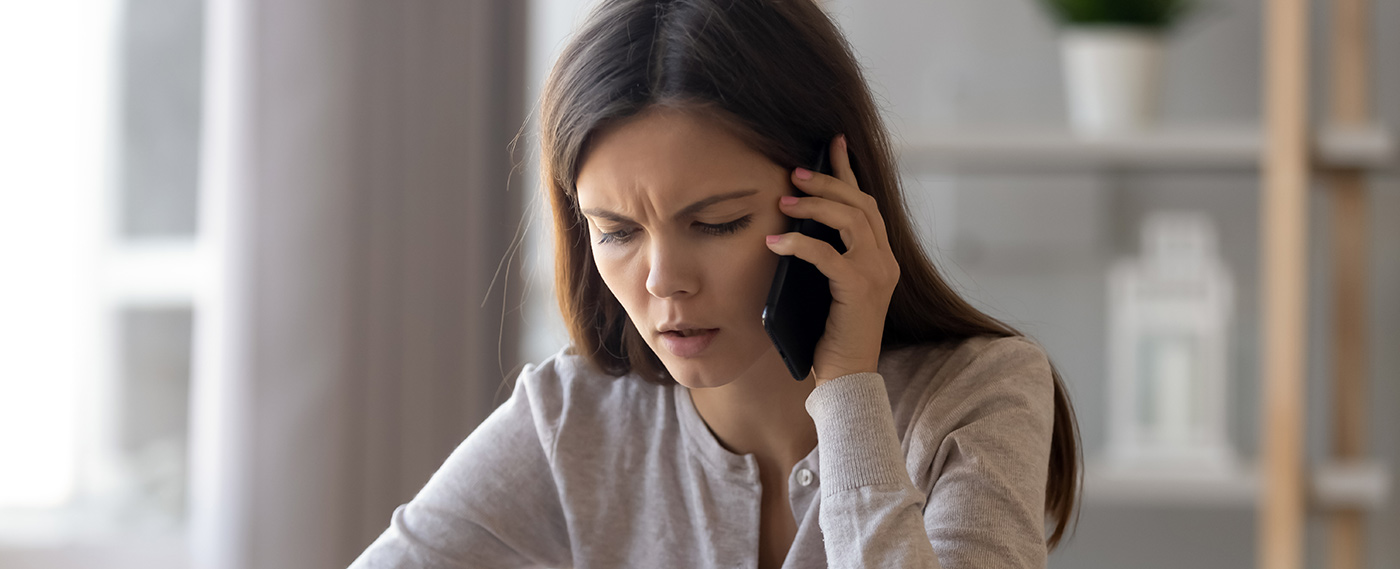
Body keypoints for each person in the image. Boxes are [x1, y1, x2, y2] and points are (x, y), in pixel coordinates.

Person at [350, 0, 1081, 567]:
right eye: (616, 232)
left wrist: (850, 393)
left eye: (717, 222)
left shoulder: (982, 393)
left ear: (834, 199)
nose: (663, 280)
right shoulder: (572, 421)